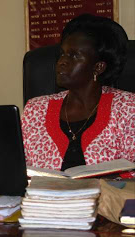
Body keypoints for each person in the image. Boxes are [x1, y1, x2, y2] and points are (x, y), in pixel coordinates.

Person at [22, 14, 135, 175]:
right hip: (45, 199)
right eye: (62, 53)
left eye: (74, 56)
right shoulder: (35, 110)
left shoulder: (127, 107)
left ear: (98, 67)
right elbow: (19, 170)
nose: (62, 61)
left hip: (107, 199)